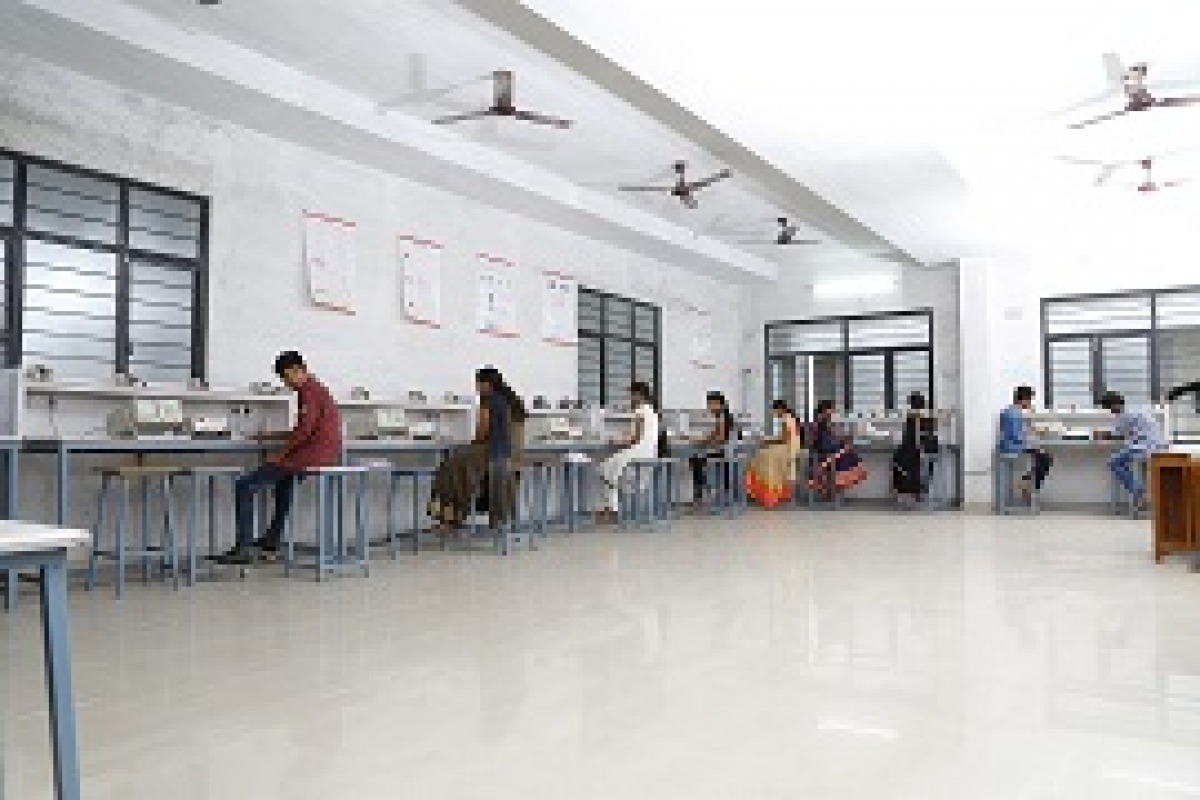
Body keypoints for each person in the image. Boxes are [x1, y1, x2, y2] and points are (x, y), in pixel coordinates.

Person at [217, 351, 342, 565]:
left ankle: (243, 548)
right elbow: (304, 429)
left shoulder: (307, 391)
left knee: (245, 485)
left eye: (286, 377)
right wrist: (270, 436)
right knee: (283, 487)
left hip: (309, 456)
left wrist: (280, 455)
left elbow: (304, 431)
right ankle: (271, 542)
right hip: (322, 454)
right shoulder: (319, 389)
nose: (286, 383)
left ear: (298, 370)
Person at [428, 367, 526, 530]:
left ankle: (449, 517)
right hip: (509, 458)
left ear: (487, 384)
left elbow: (483, 430)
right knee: (458, 468)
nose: (477, 388)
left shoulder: (488, 400)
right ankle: (456, 515)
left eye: (478, 383)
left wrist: (473, 442)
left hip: (491, 453)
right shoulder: (512, 402)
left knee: (447, 468)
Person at [597, 382, 661, 523]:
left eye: (631, 395)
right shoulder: (652, 412)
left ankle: (612, 509)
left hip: (638, 452)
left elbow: (635, 439)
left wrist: (616, 440)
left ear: (639, 395)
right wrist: (624, 438)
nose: (630, 398)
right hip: (649, 453)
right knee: (612, 470)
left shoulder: (640, 411)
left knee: (605, 468)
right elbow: (639, 435)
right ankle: (610, 508)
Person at [1100, 390, 1166, 509]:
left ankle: (1139, 492)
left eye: (1109, 408)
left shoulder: (1125, 414)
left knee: (1113, 462)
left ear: (1115, 404)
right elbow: (1127, 432)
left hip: (1145, 446)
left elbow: (1116, 433)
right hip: (1155, 445)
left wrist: (1101, 434)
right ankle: (1138, 490)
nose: (1110, 411)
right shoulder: (1135, 409)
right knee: (1120, 461)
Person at [745, 399, 802, 508]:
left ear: (780, 409)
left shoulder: (786, 420)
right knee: (765, 454)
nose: (775, 414)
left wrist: (766, 441)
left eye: (775, 411)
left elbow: (784, 439)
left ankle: (766, 493)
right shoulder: (790, 418)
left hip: (787, 449)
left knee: (762, 457)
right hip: (790, 448)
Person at [997, 385, 1051, 497]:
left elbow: (1019, 430)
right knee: (1045, 458)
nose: (1030, 403)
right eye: (1030, 400)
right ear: (1024, 399)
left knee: (1042, 456)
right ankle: (1029, 485)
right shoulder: (1015, 414)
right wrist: (1031, 441)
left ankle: (1027, 482)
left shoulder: (1011, 411)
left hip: (1009, 444)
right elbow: (1017, 436)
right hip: (1011, 446)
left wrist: (1033, 432)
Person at [807, 399, 867, 498]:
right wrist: (843, 447)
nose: (834, 412)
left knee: (852, 457)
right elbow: (825, 445)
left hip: (827, 454)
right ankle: (832, 487)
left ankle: (831, 489)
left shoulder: (823, 423)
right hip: (825, 457)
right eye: (833, 409)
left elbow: (830, 440)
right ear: (826, 410)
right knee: (852, 460)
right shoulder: (819, 424)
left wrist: (842, 443)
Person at [689, 391, 736, 507]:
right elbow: (713, 435)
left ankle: (700, 496)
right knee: (697, 459)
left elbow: (720, 439)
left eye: (713, 404)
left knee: (696, 461)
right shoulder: (722, 417)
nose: (710, 407)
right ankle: (706, 492)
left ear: (721, 404)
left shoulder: (722, 417)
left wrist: (704, 443)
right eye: (709, 404)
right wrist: (702, 440)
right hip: (726, 453)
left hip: (724, 454)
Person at [892, 392, 939, 503]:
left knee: (899, 461)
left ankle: (908, 491)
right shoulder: (928, 418)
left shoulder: (913, 418)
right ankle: (917, 491)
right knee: (910, 465)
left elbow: (909, 437)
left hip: (913, 452)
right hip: (921, 451)